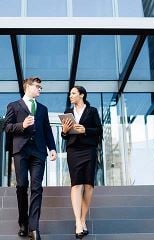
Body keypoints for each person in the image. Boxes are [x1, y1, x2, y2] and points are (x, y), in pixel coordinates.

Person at [4, 77, 57, 240]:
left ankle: (34, 227)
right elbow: (7, 127)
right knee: (21, 186)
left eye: (41, 87)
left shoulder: (43, 109)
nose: (40, 89)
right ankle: (23, 223)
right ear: (28, 87)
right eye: (38, 86)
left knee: (36, 187)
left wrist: (52, 148)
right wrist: (22, 126)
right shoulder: (13, 105)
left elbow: (47, 129)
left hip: (39, 152)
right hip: (21, 151)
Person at [61, 86, 102, 239]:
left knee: (89, 186)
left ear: (82, 95)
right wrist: (64, 131)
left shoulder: (92, 111)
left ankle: (83, 218)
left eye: (73, 93)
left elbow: (99, 130)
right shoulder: (68, 112)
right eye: (70, 93)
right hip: (74, 150)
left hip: (89, 150)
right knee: (76, 184)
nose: (70, 95)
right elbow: (64, 135)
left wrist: (85, 129)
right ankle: (78, 222)